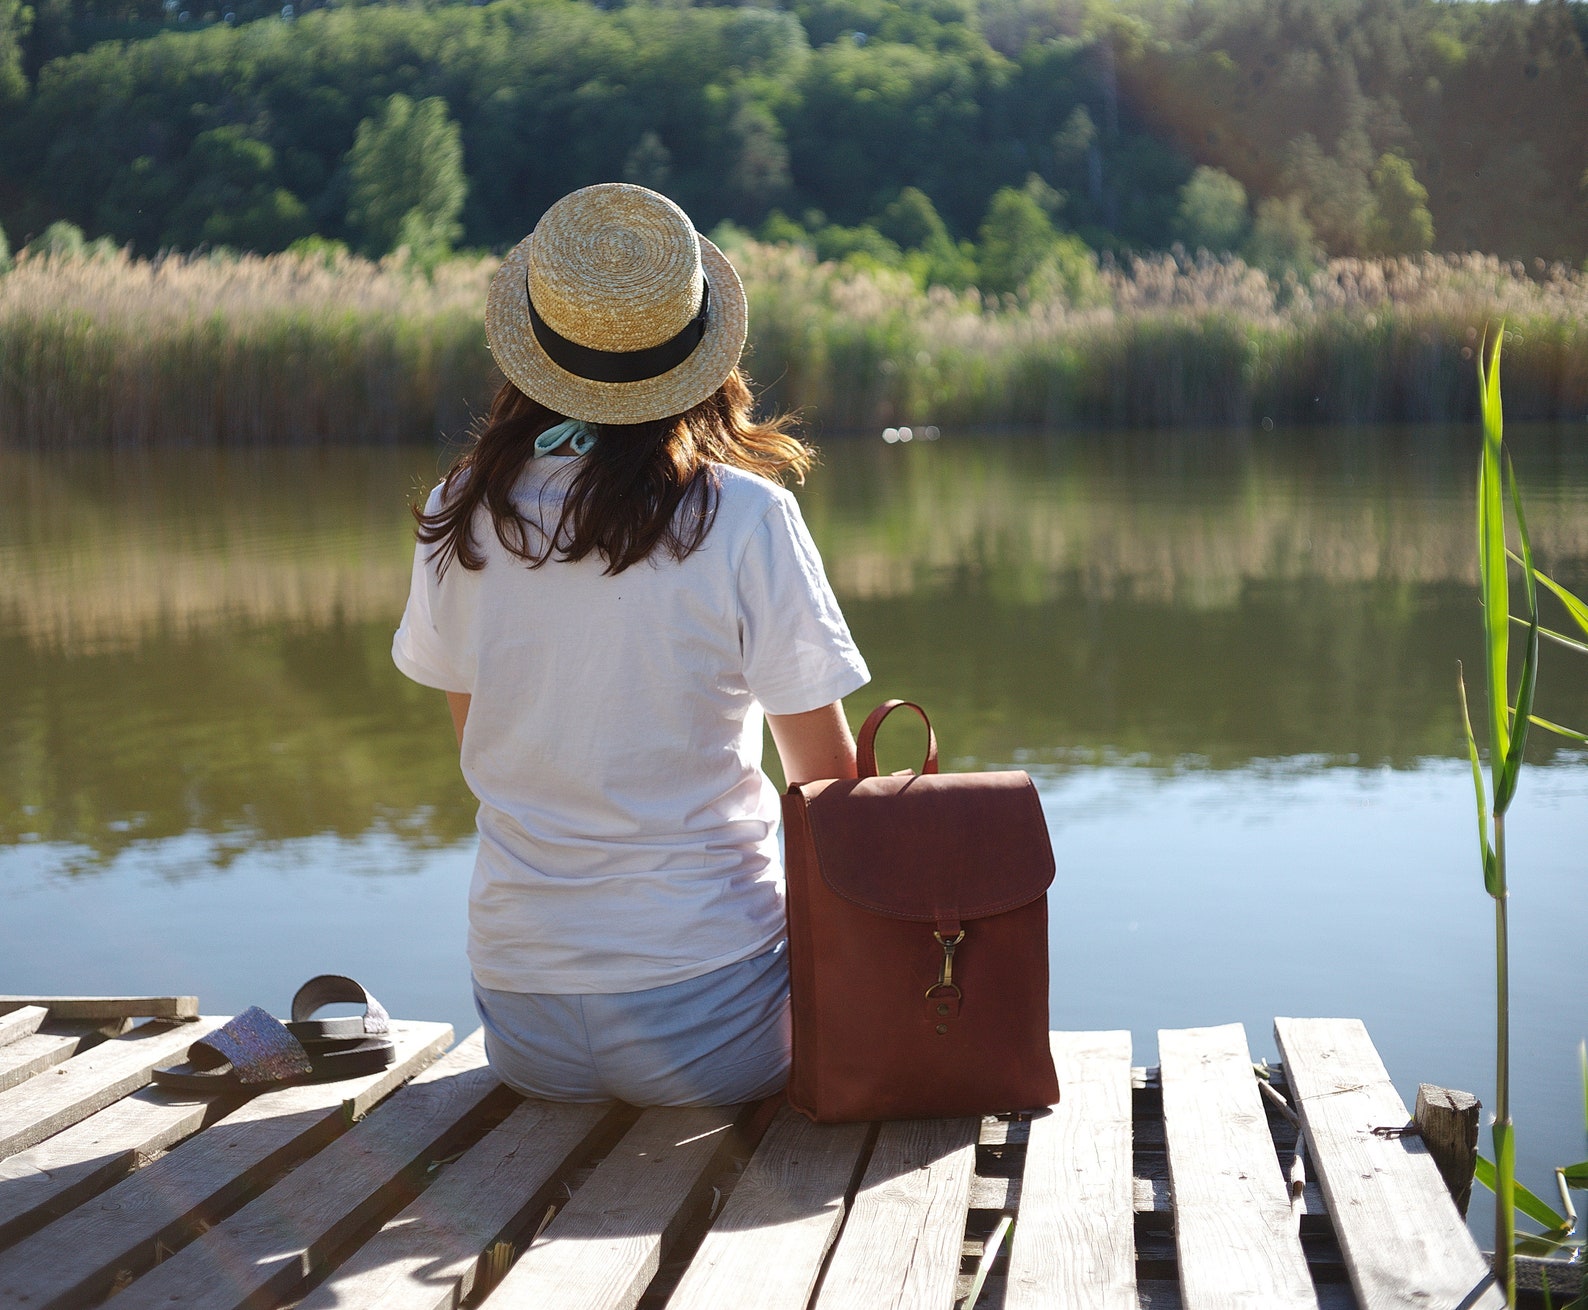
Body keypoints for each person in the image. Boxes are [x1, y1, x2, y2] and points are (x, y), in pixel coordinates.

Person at [392, 183, 870, 1106]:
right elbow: (827, 791)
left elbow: (478, 746)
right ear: (700, 353)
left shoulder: (461, 508)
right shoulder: (744, 518)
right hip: (715, 1022)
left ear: (535, 351)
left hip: (525, 1027)